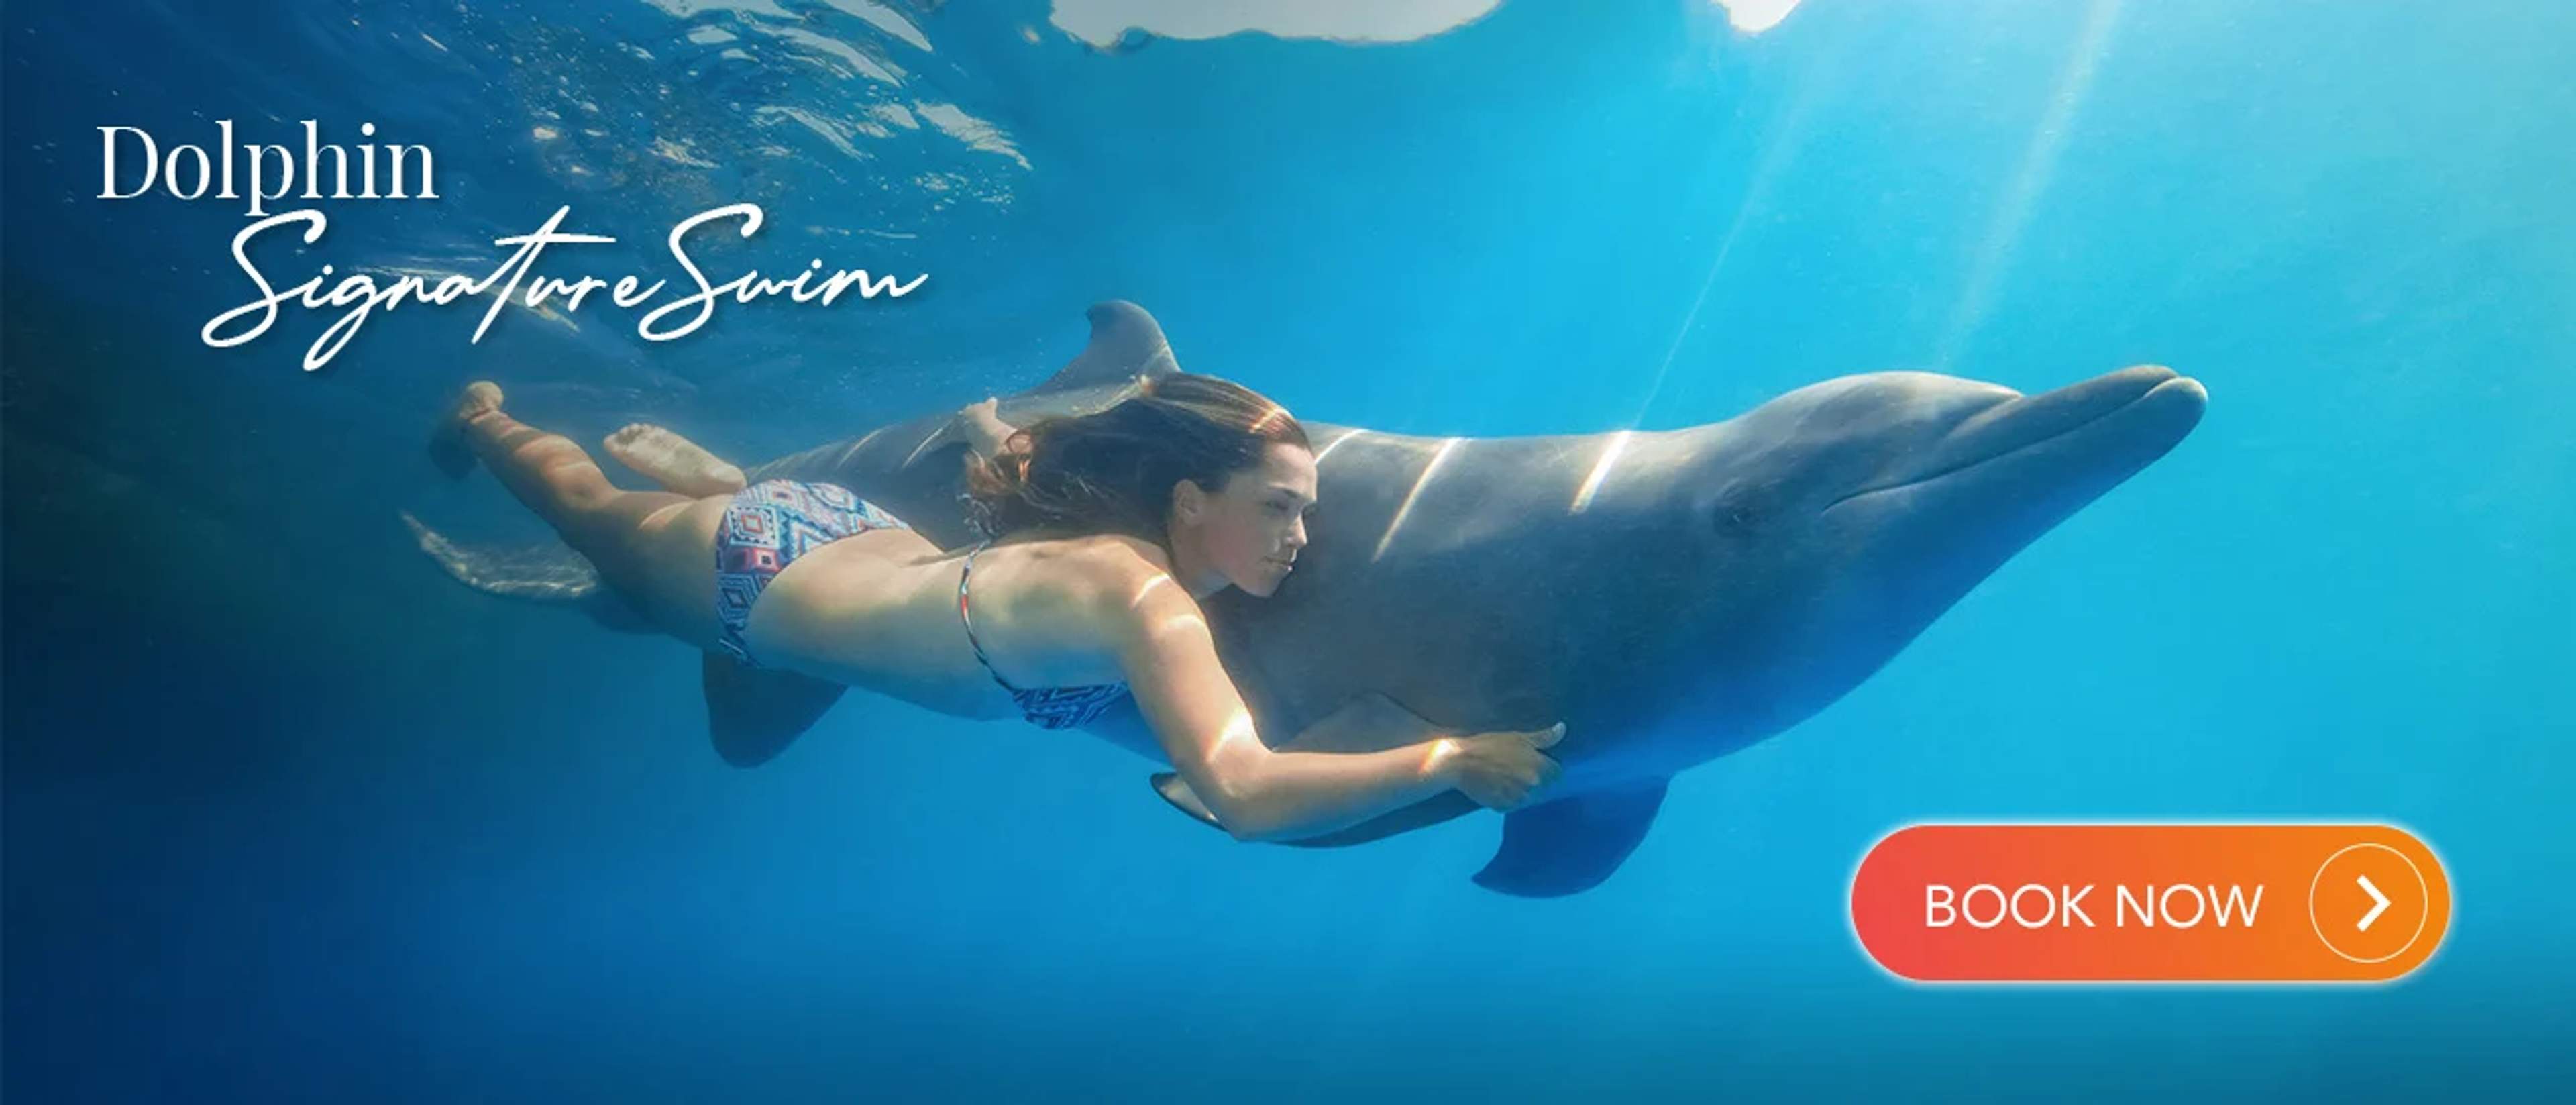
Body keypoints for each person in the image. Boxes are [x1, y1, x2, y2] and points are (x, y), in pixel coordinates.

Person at [433, 374, 1564, 843]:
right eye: (1276, 507)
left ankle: (728, 479)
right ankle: (483, 420)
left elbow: (1027, 453)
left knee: (696, 613)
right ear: (1188, 498)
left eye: (1305, 510)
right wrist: (1451, 758)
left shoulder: (1133, 547)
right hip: (751, 574)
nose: (1302, 539)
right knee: (581, 504)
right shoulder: (1142, 596)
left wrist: (991, 440)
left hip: (849, 538)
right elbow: (1246, 795)